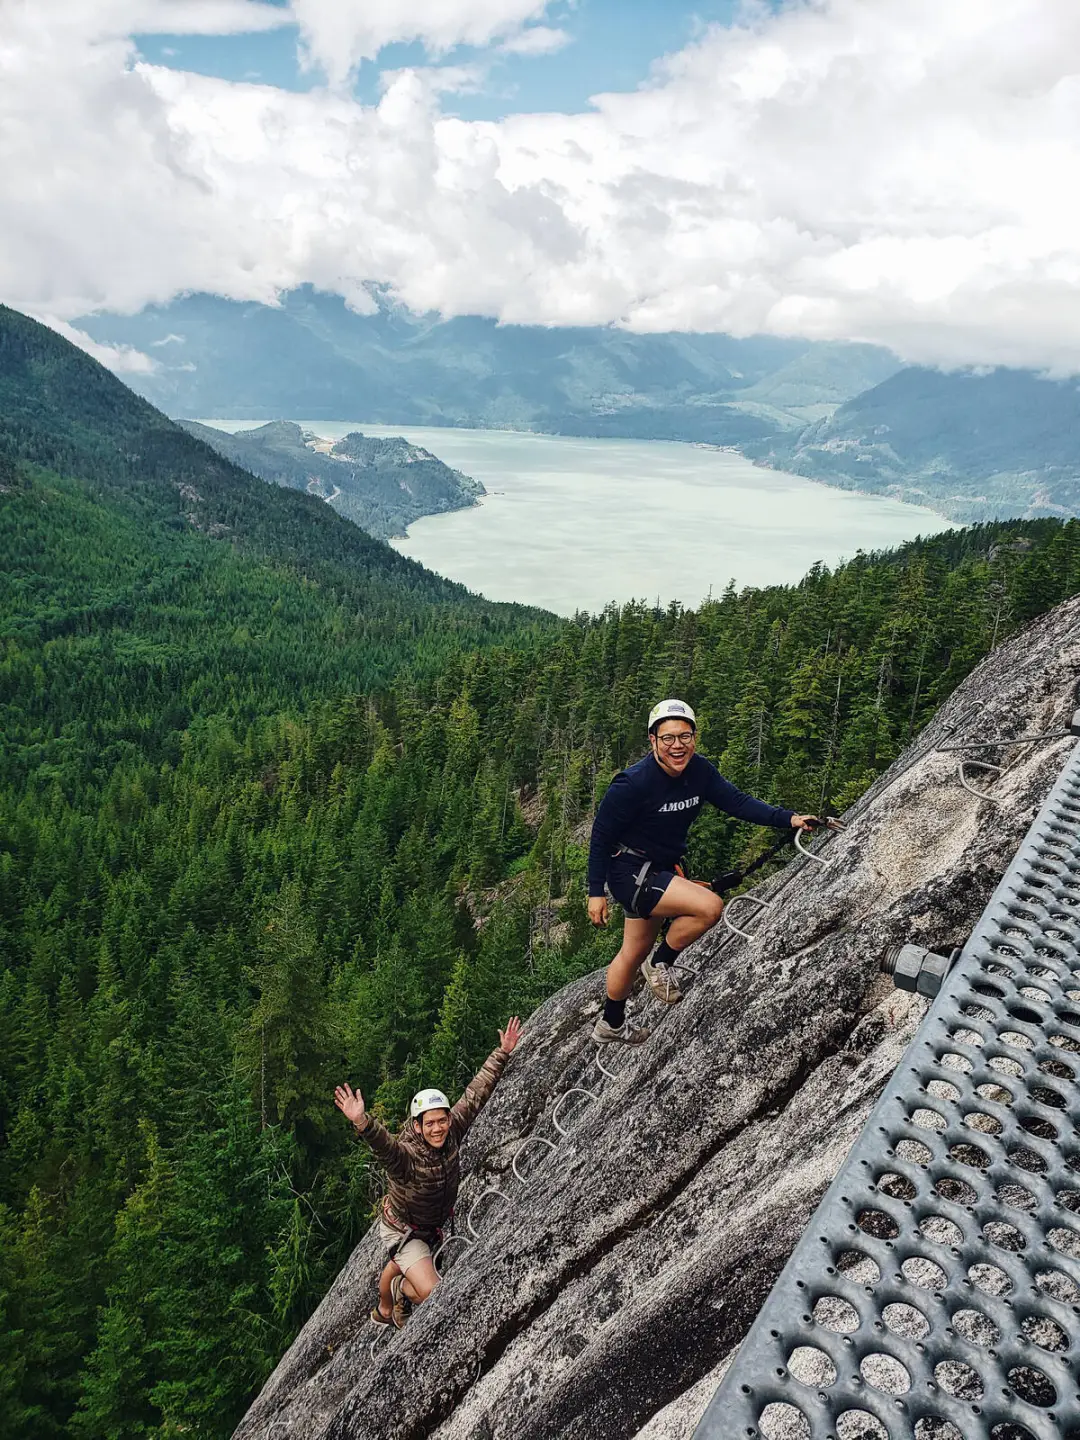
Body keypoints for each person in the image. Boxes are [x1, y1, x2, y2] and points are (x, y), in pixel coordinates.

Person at [587, 699, 817, 1044]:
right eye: (667, 738)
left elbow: (738, 802)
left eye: (685, 736)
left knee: (632, 952)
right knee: (708, 907)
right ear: (652, 741)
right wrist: (595, 892)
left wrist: (789, 818)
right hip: (629, 871)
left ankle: (611, 1023)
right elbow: (600, 836)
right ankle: (662, 962)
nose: (677, 745)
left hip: (659, 869)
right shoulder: (632, 784)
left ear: (694, 738)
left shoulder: (700, 772)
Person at [333, 1016, 522, 1328]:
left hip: (429, 1226)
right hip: (404, 1231)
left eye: (442, 1120)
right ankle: (402, 1291)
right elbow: (385, 1146)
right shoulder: (406, 1156)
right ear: (417, 1126)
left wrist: (502, 1052)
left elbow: (475, 1094)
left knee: (419, 1267)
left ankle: (398, 1281)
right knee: (436, 1293)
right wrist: (362, 1121)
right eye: (430, 1123)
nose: (438, 1128)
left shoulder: (452, 1131)